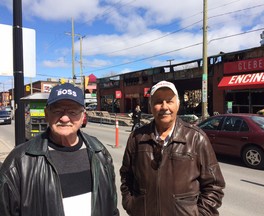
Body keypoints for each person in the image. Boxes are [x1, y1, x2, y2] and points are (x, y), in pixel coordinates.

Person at [0, 83, 119, 216]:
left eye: (73, 112)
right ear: (46, 114)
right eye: (57, 111)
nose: (64, 118)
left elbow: (112, 207)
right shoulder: (19, 162)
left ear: (82, 117)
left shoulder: (100, 153)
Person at [120, 80, 225, 216]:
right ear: (150, 105)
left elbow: (214, 186)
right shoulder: (137, 138)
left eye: (169, 101)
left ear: (178, 104)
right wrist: (132, 205)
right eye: (158, 101)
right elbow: (126, 177)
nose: (164, 107)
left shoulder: (196, 138)